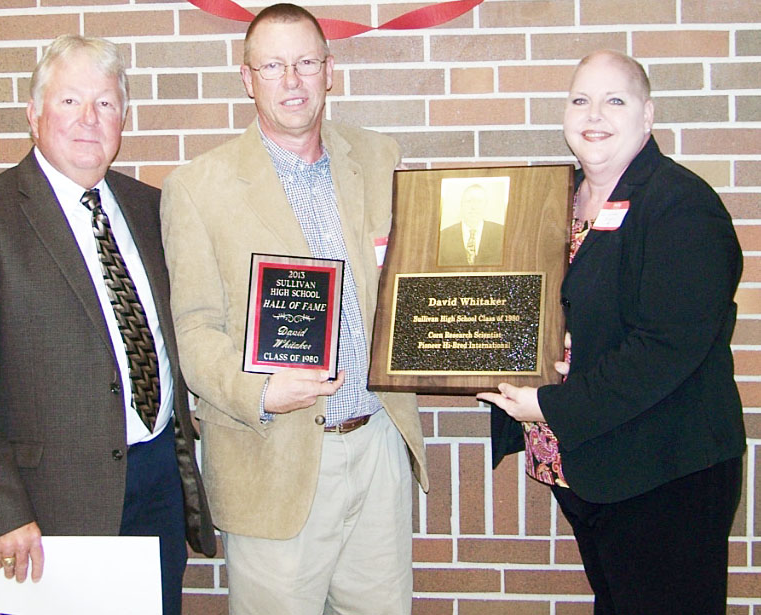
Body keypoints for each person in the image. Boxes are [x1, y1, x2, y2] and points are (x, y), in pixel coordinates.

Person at [0, 34, 215, 615]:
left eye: (105, 104)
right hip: (51, 502)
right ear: (34, 114)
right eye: (69, 102)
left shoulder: (149, 208)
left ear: (123, 119)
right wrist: (0, 512)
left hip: (157, 478)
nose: (89, 120)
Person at [160, 4, 428, 614]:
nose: (292, 80)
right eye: (274, 65)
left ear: (329, 72)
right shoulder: (198, 188)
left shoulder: (381, 157)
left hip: (377, 443)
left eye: (306, 62)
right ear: (247, 77)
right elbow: (196, 331)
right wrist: (258, 390)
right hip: (271, 455)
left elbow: (416, 285)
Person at [479, 50, 745, 615]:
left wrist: (550, 405)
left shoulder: (681, 205)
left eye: (614, 100)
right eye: (581, 100)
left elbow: (666, 348)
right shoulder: (556, 201)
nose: (594, 114)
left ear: (647, 116)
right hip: (594, 468)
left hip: (665, 473)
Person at [438, 183, 505, 266]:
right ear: (461, 204)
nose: (473, 207)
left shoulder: (501, 233)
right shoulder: (444, 236)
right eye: (469, 201)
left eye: (479, 201)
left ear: (486, 205)